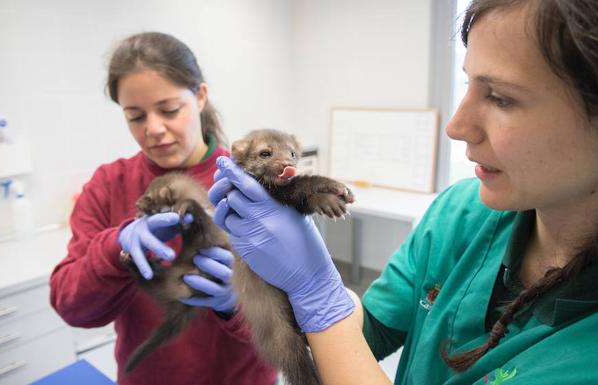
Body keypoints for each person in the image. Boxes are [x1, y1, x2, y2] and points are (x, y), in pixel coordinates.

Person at [208, 1, 598, 384]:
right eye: (468, 84)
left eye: (501, 97)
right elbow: (370, 329)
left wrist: (316, 293)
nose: (455, 126)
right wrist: (275, 300)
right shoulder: (459, 212)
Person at [49, 32, 277, 385]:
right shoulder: (109, 185)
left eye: (169, 110)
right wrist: (115, 249)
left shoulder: (250, 183)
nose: (153, 129)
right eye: (135, 116)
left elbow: (297, 326)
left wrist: (238, 305)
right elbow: (72, 307)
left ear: (200, 97)